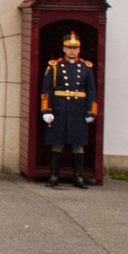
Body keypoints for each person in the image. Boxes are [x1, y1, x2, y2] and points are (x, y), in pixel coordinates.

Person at [40, 30, 99, 187]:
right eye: (69, 47)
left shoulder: (86, 67)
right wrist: (46, 110)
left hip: (78, 110)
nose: (72, 50)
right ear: (64, 49)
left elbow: (91, 91)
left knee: (77, 144)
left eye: (75, 47)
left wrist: (91, 111)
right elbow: (46, 91)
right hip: (60, 109)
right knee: (57, 142)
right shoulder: (55, 66)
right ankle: (54, 176)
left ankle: (78, 177)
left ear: (79, 49)